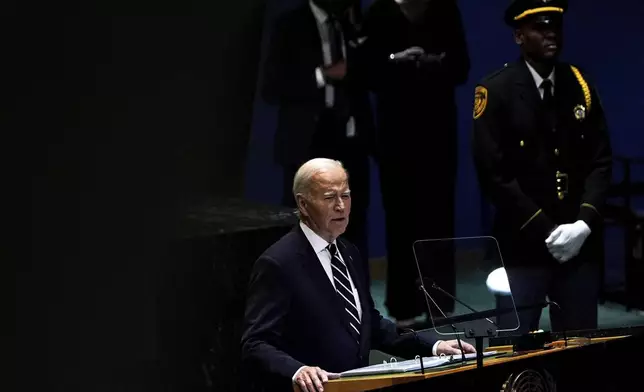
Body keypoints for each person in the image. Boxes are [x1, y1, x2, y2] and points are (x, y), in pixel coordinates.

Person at [241, 158, 475, 392]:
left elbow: (370, 326)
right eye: (330, 198)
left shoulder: (349, 252)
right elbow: (256, 343)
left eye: (346, 195)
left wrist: (434, 347)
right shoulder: (279, 263)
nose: (341, 206)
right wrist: (298, 370)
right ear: (303, 204)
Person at [472, 0, 612, 334]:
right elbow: (494, 176)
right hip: (525, 243)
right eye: (540, 28)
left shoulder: (580, 85)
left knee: (580, 348)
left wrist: (584, 223)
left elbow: (600, 161)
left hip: (579, 244)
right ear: (519, 36)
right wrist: (548, 230)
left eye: (555, 27)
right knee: (513, 352)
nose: (551, 34)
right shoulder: (496, 90)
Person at [359, 0, 470, 327]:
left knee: (439, 217)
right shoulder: (378, 13)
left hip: (438, 133)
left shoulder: (445, 10)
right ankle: (404, 306)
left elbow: (462, 66)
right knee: (400, 219)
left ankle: (440, 304)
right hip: (395, 134)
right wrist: (397, 60)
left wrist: (433, 62)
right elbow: (367, 71)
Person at [262, 0, 373, 265]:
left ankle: (355, 299)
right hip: (307, 144)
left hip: (350, 141)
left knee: (353, 226)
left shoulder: (353, 23)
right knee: (305, 229)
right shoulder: (290, 25)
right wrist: (322, 75)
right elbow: (272, 87)